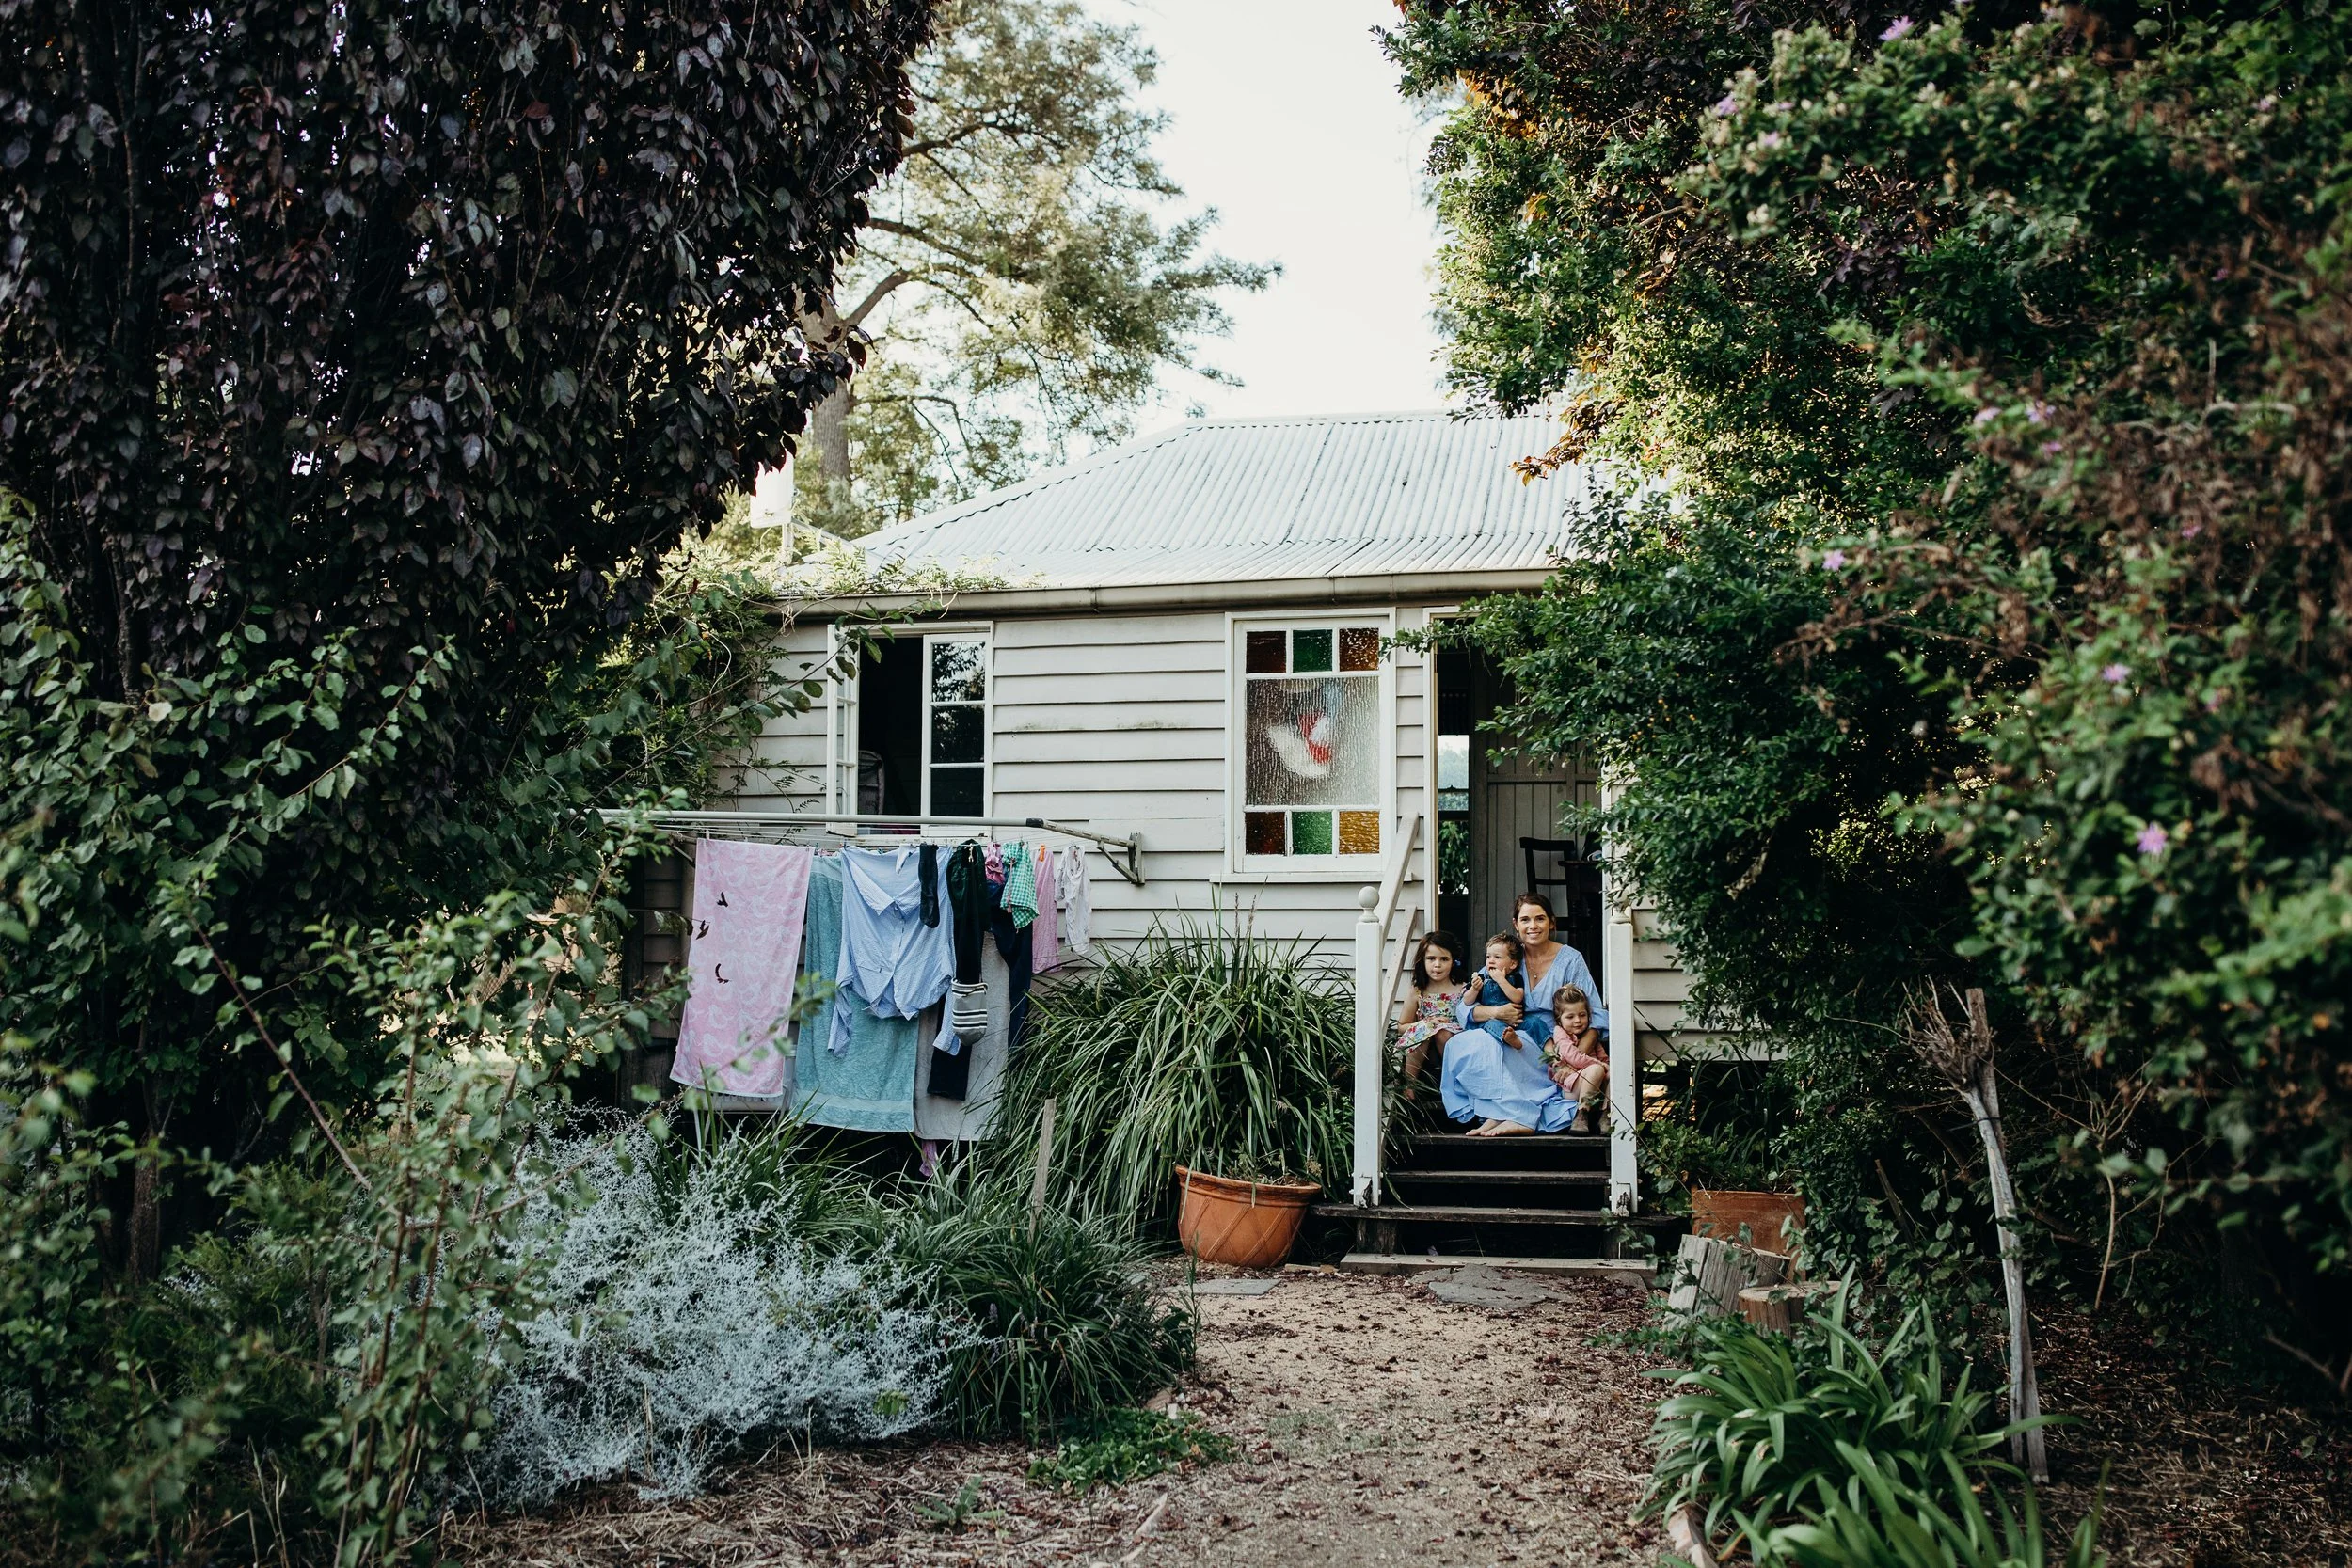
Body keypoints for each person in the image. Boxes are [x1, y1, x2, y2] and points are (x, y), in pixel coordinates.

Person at [1440, 892, 1608, 1137]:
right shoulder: (1506, 955)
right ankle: (1499, 1113)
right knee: (1462, 1044)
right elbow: (1465, 1005)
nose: (1533, 926)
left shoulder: (1570, 959)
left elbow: (1597, 1014)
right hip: (1508, 1029)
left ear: (1551, 923)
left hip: (1551, 1041)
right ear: (1516, 925)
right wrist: (1496, 1011)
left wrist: (1577, 1053)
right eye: (1525, 920)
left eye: (1540, 919)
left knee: (1504, 1047)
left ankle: (1520, 1116)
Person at [1392, 931, 1470, 1097]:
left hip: (1452, 1043)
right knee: (1425, 1030)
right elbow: (1401, 1027)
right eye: (1431, 959)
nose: (1437, 965)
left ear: (1454, 962)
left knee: (1442, 1032)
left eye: (1444, 959)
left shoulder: (1463, 989)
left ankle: (1454, 1081)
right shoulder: (1418, 991)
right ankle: (1410, 1084)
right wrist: (1426, 1023)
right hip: (1424, 1046)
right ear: (1423, 961)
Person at [1544, 985, 1607, 1134]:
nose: (1578, 1020)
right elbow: (1575, 1057)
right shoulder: (1560, 1033)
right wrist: (1602, 1065)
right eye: (1570, 1017)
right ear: (1559, 1019)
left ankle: (1606, 1115)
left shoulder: (1589, 1037)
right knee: (1597, 1069)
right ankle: (1582, 1114)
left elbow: (1604, 1058)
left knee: (1612, 1073)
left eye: (1582, 1015)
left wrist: (1608, 1067)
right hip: (1570, 1087)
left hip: (1592, 1085)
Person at [1470, 932, 1536, 1052]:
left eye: (1497, 957)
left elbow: (1517, 998)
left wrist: (1501, 980)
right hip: (1491, 1020)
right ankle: (1508, 1037)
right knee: (1492, 1025)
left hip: (1516, 1021)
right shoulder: (1482, 977)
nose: (1491, 961)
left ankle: (1548, 1046)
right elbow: (1466, 1001)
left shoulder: (1515, 978)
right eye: (1488, 957)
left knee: (1535, 1022)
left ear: (1513, 964)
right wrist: (1474, 989)